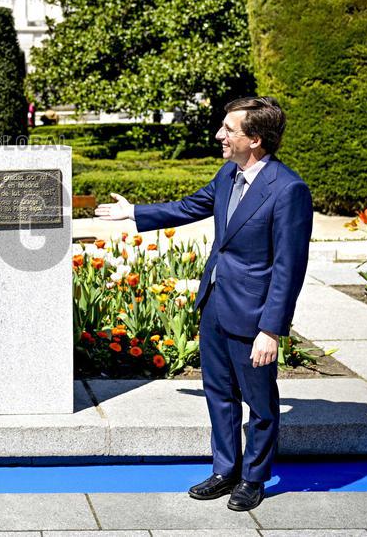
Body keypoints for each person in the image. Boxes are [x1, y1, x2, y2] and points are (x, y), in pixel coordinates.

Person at [94, 97, 312, 512]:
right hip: (214, 302)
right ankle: (225, 470)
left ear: (256, 139)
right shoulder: (228, 173)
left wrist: (271, 329)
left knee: (261, 403)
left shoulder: (288, 190)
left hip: (253, 313)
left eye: (229, 129)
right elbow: (189, 207)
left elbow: (289, 267)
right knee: (218, 392)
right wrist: (133, 213)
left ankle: (253, 477)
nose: (219, 136)